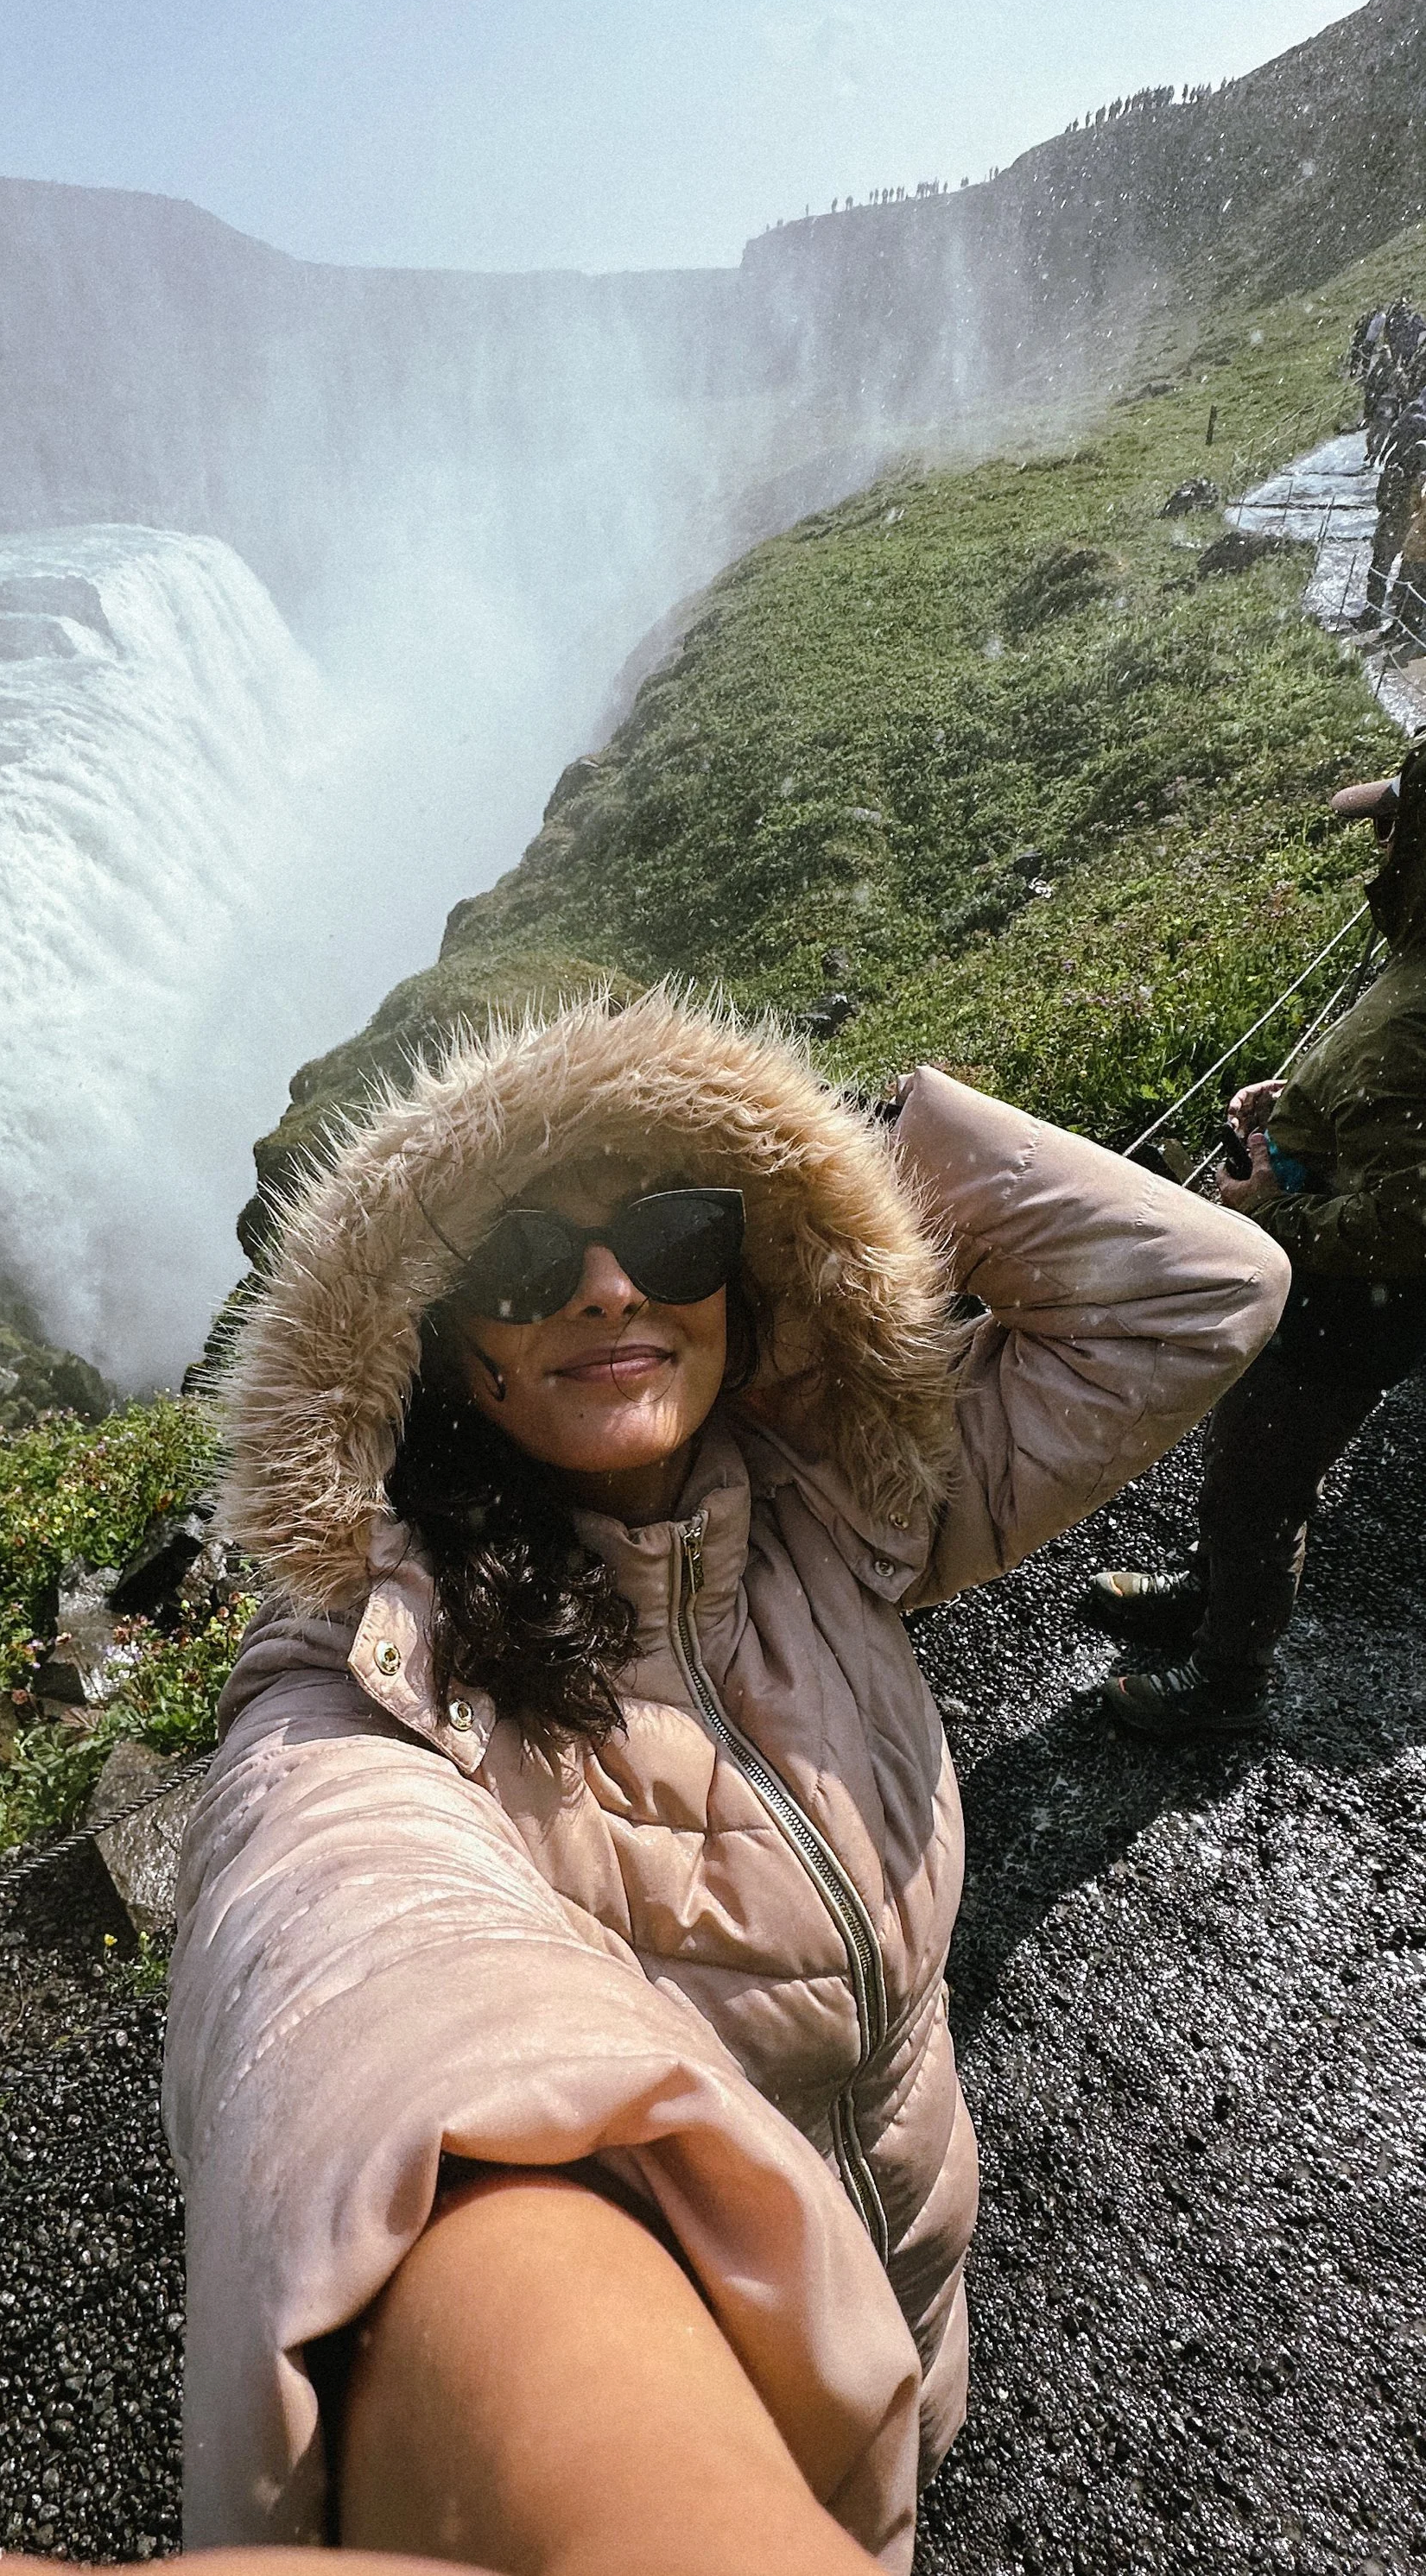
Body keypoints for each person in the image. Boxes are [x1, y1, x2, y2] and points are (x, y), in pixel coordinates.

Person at [163, 994, 1286, 2573]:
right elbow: (339, 1932)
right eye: (521, 1264)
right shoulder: (382, 1662)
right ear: (438, 1352)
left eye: (676, 1233)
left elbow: (1206, 1287)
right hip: (680, 2399)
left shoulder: (839, 1506)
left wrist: (851, 1155)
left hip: (907, 2284)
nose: (613, 1283)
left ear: (746, 1279)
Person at [1098, 744, 1426, 1736]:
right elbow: (1387, 1100)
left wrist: (1265, 1210)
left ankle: (1228, 1678)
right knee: (1249, 1449)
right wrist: (1301, 1101)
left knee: (1261, 1480)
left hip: (1352, 1299)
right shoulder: (1417, 949)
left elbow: (1408, 1219)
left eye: (1395, 824)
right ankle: (1204, 1596)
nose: (1378, 841)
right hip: (1322, 1282)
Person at [1353, 389, 1426, 634]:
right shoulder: (1410, 447)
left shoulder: (1418, 448)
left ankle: (1391, 620)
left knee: (1397, 571)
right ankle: (1393, 620)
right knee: (1398, 572)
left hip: (1405, 518)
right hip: (1404, 517)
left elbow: (1405, 485)